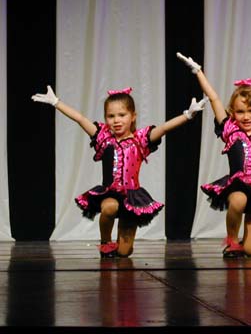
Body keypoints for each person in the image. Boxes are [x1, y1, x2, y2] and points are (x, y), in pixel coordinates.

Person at [31, 85, 206, 258]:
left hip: (132, 196)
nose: (116, 120)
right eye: (111, 116)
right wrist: (56, 102)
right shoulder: (103, 137)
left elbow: (165, 128)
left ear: (133, 116)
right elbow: (80, 119)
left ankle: (122, 246)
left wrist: (187, 115)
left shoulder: (141, 139)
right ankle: (106, 242)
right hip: (110, 193)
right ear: (105, 118)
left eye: (122, 115)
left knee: (124, 252)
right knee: (110, 207)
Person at [177, 44, 251, 258]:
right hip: (238, 185)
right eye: (240, 111)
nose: (246, 116)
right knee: (238, 200)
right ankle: (232, 240)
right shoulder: (230, 129)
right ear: (232, 112)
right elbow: (214, 98)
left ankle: (247, 243)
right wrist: (198, 71)